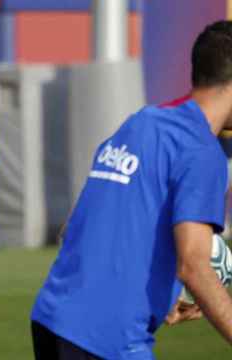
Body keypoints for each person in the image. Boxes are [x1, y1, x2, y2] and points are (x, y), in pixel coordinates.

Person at [31, 20, 232, 360]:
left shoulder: (142, 123)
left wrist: (159, 299)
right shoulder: (201, 151)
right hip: (106, 338)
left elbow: (73, 230)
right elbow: (194, 266)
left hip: (52, 319)